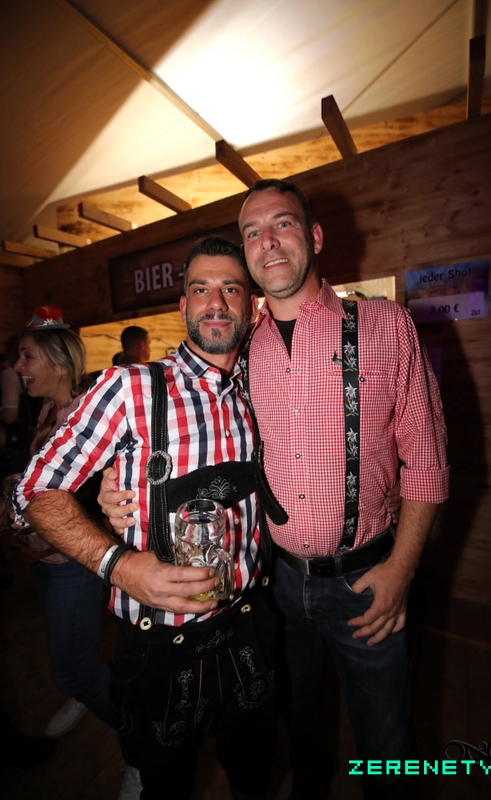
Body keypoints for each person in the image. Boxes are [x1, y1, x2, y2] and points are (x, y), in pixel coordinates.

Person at [102, 180, 448, 799]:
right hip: (274, 584)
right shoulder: (240, 349)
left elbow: (427, 460)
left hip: (367, 578)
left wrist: (402, 568)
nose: (268, 241)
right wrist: (119, 482)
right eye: (253, 232)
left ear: (314, 236)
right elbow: (200, 438)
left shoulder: (383, 324)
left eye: (282, 223)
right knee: (300, 730)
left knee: (389, 745)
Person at [13, 239, 281, 800]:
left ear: (251, 306)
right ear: (182, 307)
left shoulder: (260, 389)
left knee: (255, 774)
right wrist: (120, 566)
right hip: (160, 645)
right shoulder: (131, 388)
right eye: (200, 289)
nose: (215, 302)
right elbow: (35, 492)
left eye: (230, 288)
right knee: (167, 786)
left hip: (251, 624)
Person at [12, 307, 113, 741]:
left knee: (72, 670)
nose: (18, 367)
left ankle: (141, 747)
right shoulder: (48, 410)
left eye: (27, 356)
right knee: (74, 655)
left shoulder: (85, 418)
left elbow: (92, 502)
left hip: (72, 562)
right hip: (42, 558)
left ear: (57, 363)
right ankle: (85, 691)